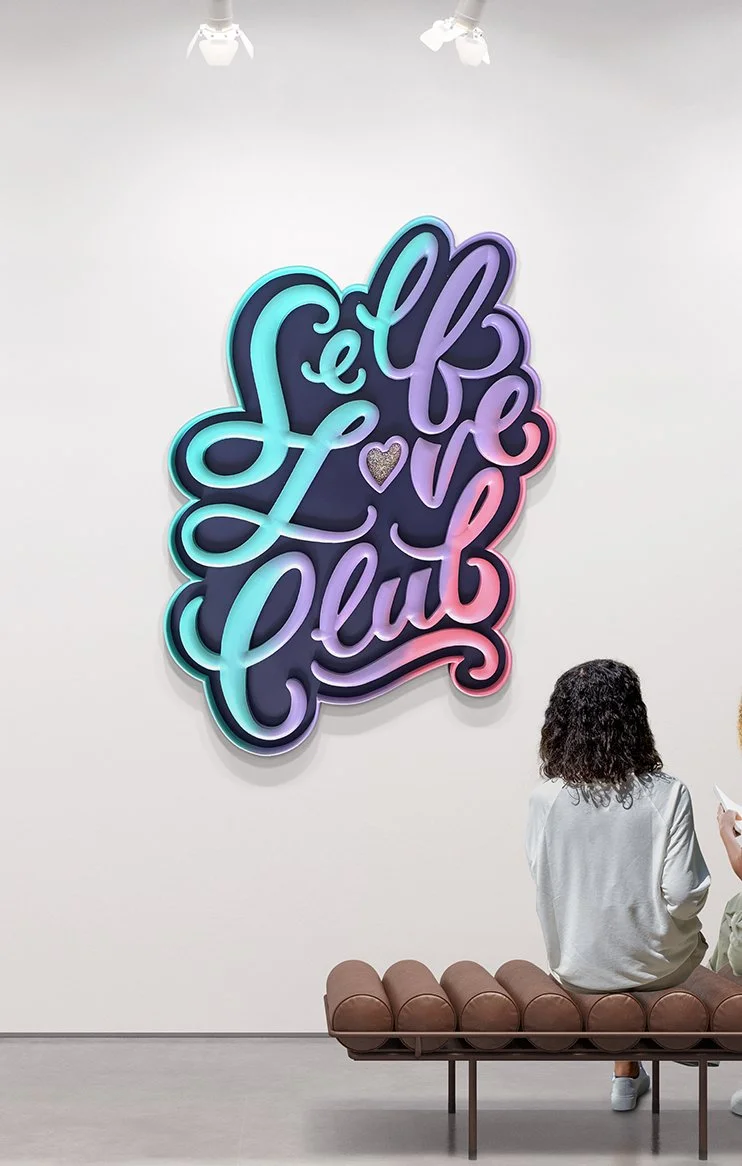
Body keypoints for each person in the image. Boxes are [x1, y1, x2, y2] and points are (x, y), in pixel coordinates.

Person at [526, 659, 710, 1113]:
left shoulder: (545, 798)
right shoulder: (668, 792)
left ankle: (625, 1076)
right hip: (658, 966)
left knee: (612, 939)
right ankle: (672, 1049)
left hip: (578, 967)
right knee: (685, 940)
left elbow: (545, 879)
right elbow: (684, 897)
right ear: (635, 719)